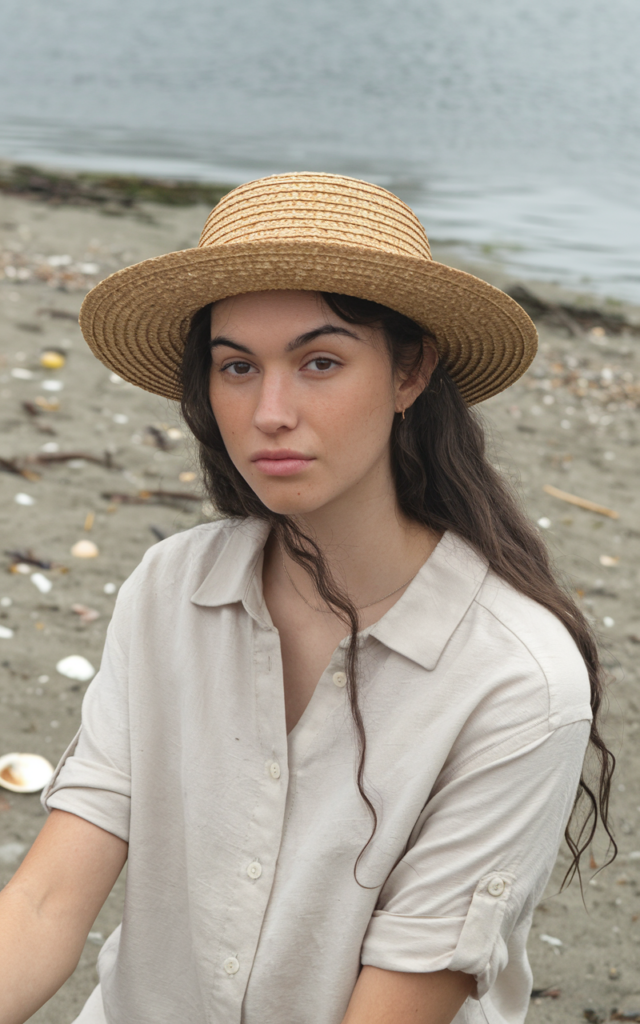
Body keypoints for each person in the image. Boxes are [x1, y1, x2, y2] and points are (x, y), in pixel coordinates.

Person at [0, 173, 614, 1024]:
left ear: (412, 371)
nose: (270, 412)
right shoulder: (169, 589)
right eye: (237, 367)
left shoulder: (517, 681)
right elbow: (43, 905)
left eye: (320, 361)